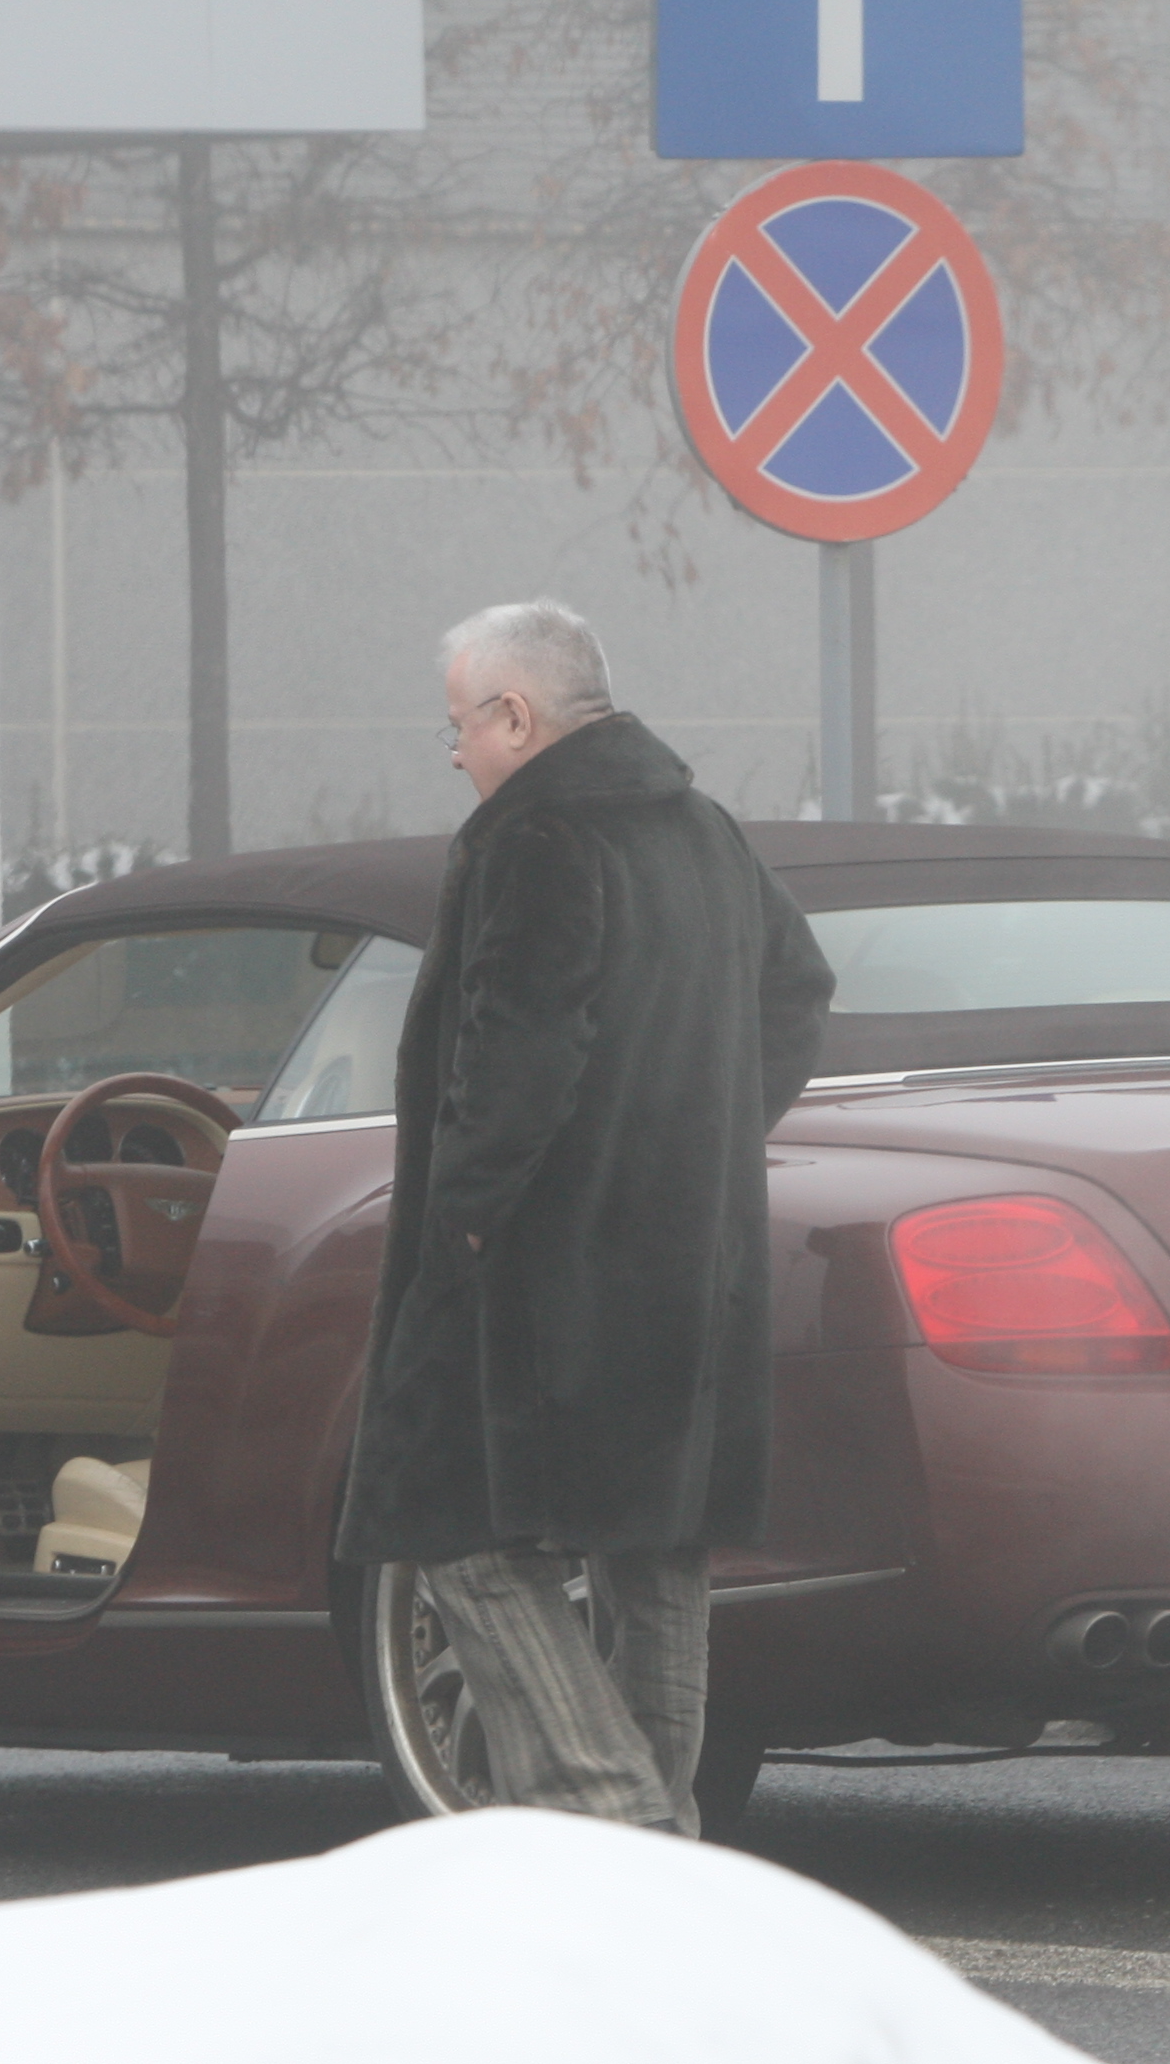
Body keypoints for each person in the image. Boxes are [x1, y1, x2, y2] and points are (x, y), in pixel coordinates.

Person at [334, 601, 833, 1834]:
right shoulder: (704, 831)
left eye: (459, 727)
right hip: (688, 1261)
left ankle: (603, 1802)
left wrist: (458, 1222)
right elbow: (799, 987)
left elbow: (520, 1055)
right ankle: (657, 1846)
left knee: (448, 1528)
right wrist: (704, 1139)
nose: (455, 755)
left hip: (541, 1274)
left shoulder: (538, 838)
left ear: (517, 715)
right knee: (654, 1550)